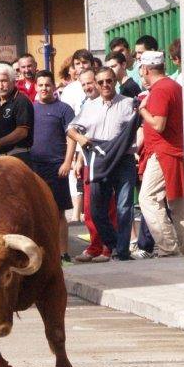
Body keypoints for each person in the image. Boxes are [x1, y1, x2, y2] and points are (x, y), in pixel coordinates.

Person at [67, 67, 139, 261]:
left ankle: (121, 251)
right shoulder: (89, 106)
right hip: (99, 160)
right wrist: (81, 139)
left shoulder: (129, 103)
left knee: (124, 206)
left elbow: (142, 125)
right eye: (101, 82)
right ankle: (113, 243)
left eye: (109, 81)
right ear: (97, 84)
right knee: (97, 210)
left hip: (124, 159)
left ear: (115, 81)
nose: (105, 85)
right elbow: (71, 129)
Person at [137, 50, 184, 257]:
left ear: (146, 69)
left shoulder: (160, 90)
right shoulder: (174, 86)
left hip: (163, 152)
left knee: (147, 198)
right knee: (177, 204)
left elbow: (158, 124)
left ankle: (168, 247)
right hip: (172, 151)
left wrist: (143, 111)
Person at [27, 70, 76, 261]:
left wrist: (67, 162)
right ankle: (42, 254)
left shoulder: (64, 109)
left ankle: (63, 254)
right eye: (41, 85)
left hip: (57, 167)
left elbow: (71, 137)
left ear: (54, 87)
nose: (44, 88)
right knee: (37, 212)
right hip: (35, 168)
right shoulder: (31, 108)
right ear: (36, 87)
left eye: (48, 85)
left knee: (58, 211)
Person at [0, 63, 33, 159]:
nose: (0, 86)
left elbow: (22, 132)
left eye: (4, 81)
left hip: (17, 157)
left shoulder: (21, 101)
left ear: (13, 81)